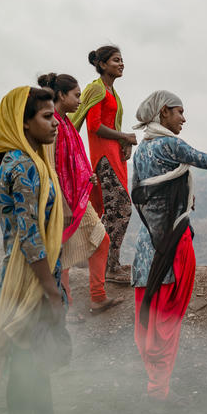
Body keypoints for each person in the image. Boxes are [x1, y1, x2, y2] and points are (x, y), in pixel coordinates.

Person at [0, 86, 96, 414]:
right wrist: (49, 287)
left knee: (37, 361)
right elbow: (28, 233)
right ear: (23, 123)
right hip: (30, 277)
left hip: (41, 272)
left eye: (55, 115)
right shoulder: (22, 166)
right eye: (46, 117)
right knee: (24, 366)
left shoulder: (35, 161)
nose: (55, 122)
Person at [129, 90, 207, 404]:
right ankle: (159, 391)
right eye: (179, 112)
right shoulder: (170, 144)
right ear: (164, 113)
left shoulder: (142, 150)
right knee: (168, 318)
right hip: (173, 242)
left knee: (151, 316)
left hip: (147, 244)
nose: (183, 119)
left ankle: (154, 383)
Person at [37, 72, 121, 316]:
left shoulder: (63, 123)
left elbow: (71, 160)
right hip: (64, 201)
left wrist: (85, 176)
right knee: (64, 250)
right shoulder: (52, 124)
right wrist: (61, 202)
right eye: (76, 95)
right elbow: (52, 166)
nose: (80, 100)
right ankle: (70, 304)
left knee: (87, 243)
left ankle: (92, 298)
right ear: (61, 95)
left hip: (76, 195)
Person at [69, 45, 137, 284]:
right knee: (121, 209)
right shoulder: (97, 89)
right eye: (116, 60)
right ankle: (108, 265)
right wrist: (124, 137)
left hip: (111, 155)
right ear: (103, 65)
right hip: (103, 158)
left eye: (122, 60)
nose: (121, 64)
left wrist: (123, 142)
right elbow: (94, 126)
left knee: (113, 209)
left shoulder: (111, 92)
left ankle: (108, 262)